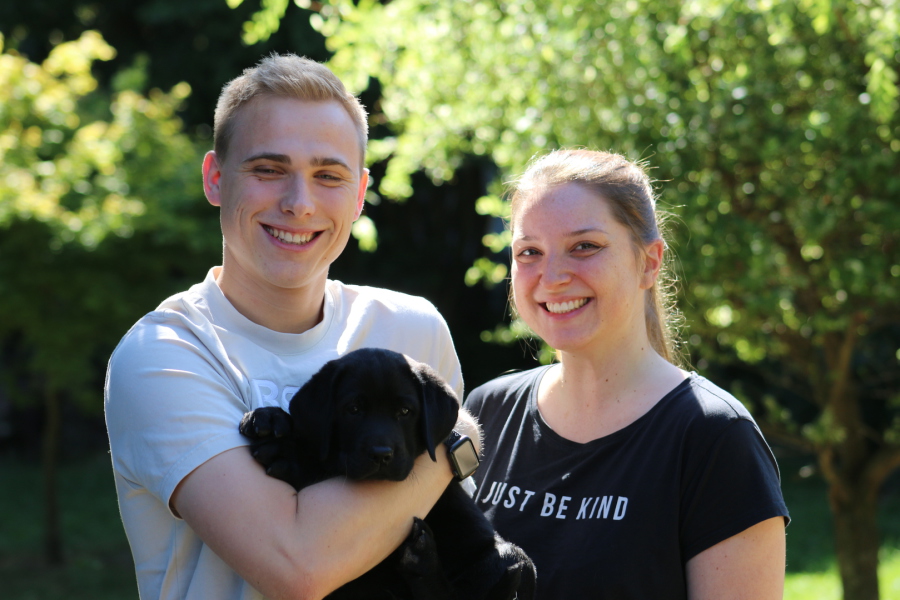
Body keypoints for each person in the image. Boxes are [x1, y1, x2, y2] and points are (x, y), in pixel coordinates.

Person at [104, 54, 479, 600]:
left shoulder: (412, 330)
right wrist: (459, 440)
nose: (299, 204)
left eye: (328, 176)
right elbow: (299, 567)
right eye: (268, 170)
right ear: (215, 178)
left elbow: (453, 534)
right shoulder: (164, 355)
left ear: (359, 194)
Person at [464, 149, 790, 599]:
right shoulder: (485, 412)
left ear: (649, 262)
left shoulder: (715, 438)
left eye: (585, 246)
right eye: (530, 252)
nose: (552, 276)